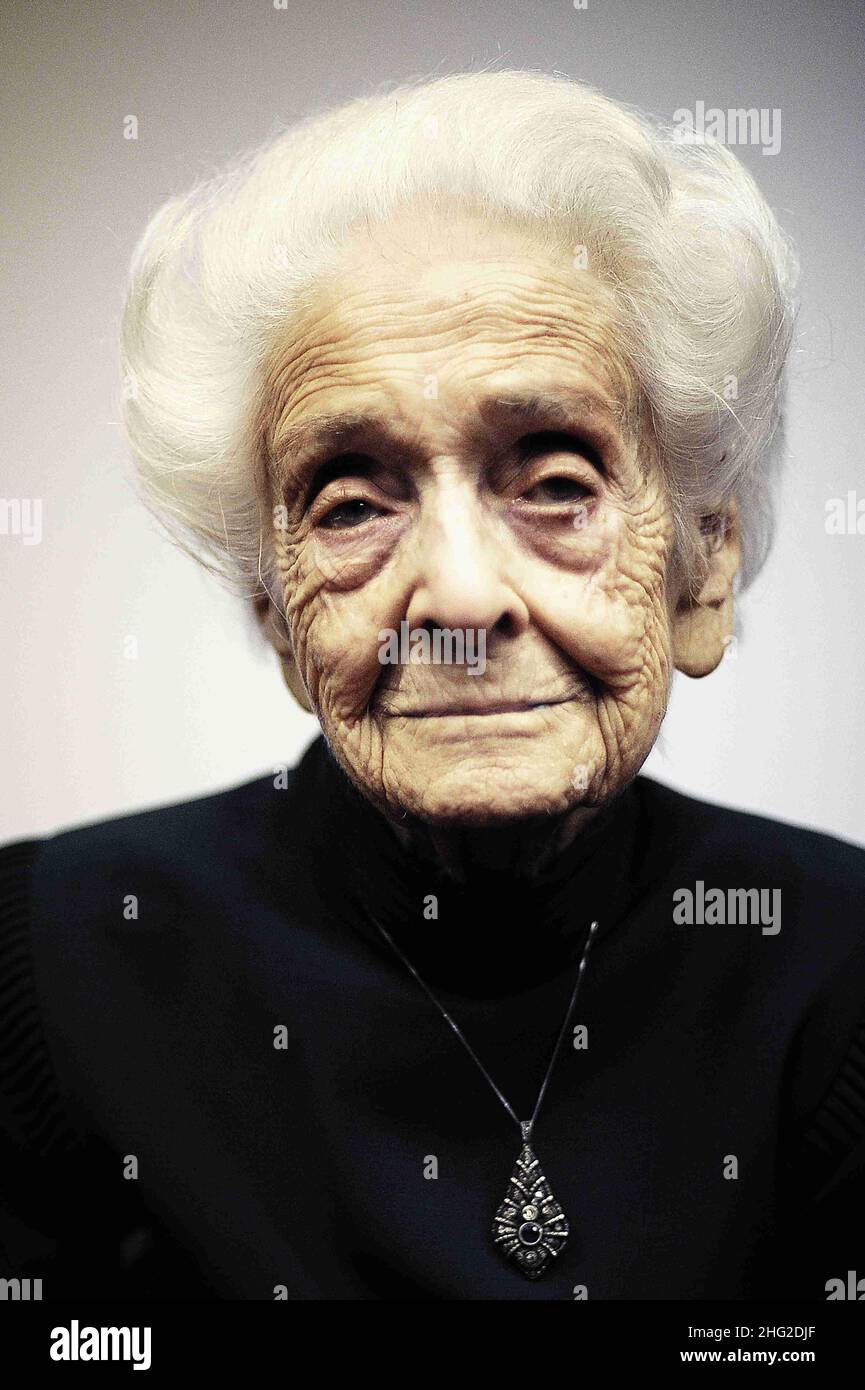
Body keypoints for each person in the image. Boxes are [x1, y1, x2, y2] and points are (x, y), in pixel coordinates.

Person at [2, 68, 864, 1301]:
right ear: (277, 611)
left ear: (701, 571)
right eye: (351, 501)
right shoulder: (49, 965)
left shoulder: (839, 970)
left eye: (556, 481)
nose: (458, 601)